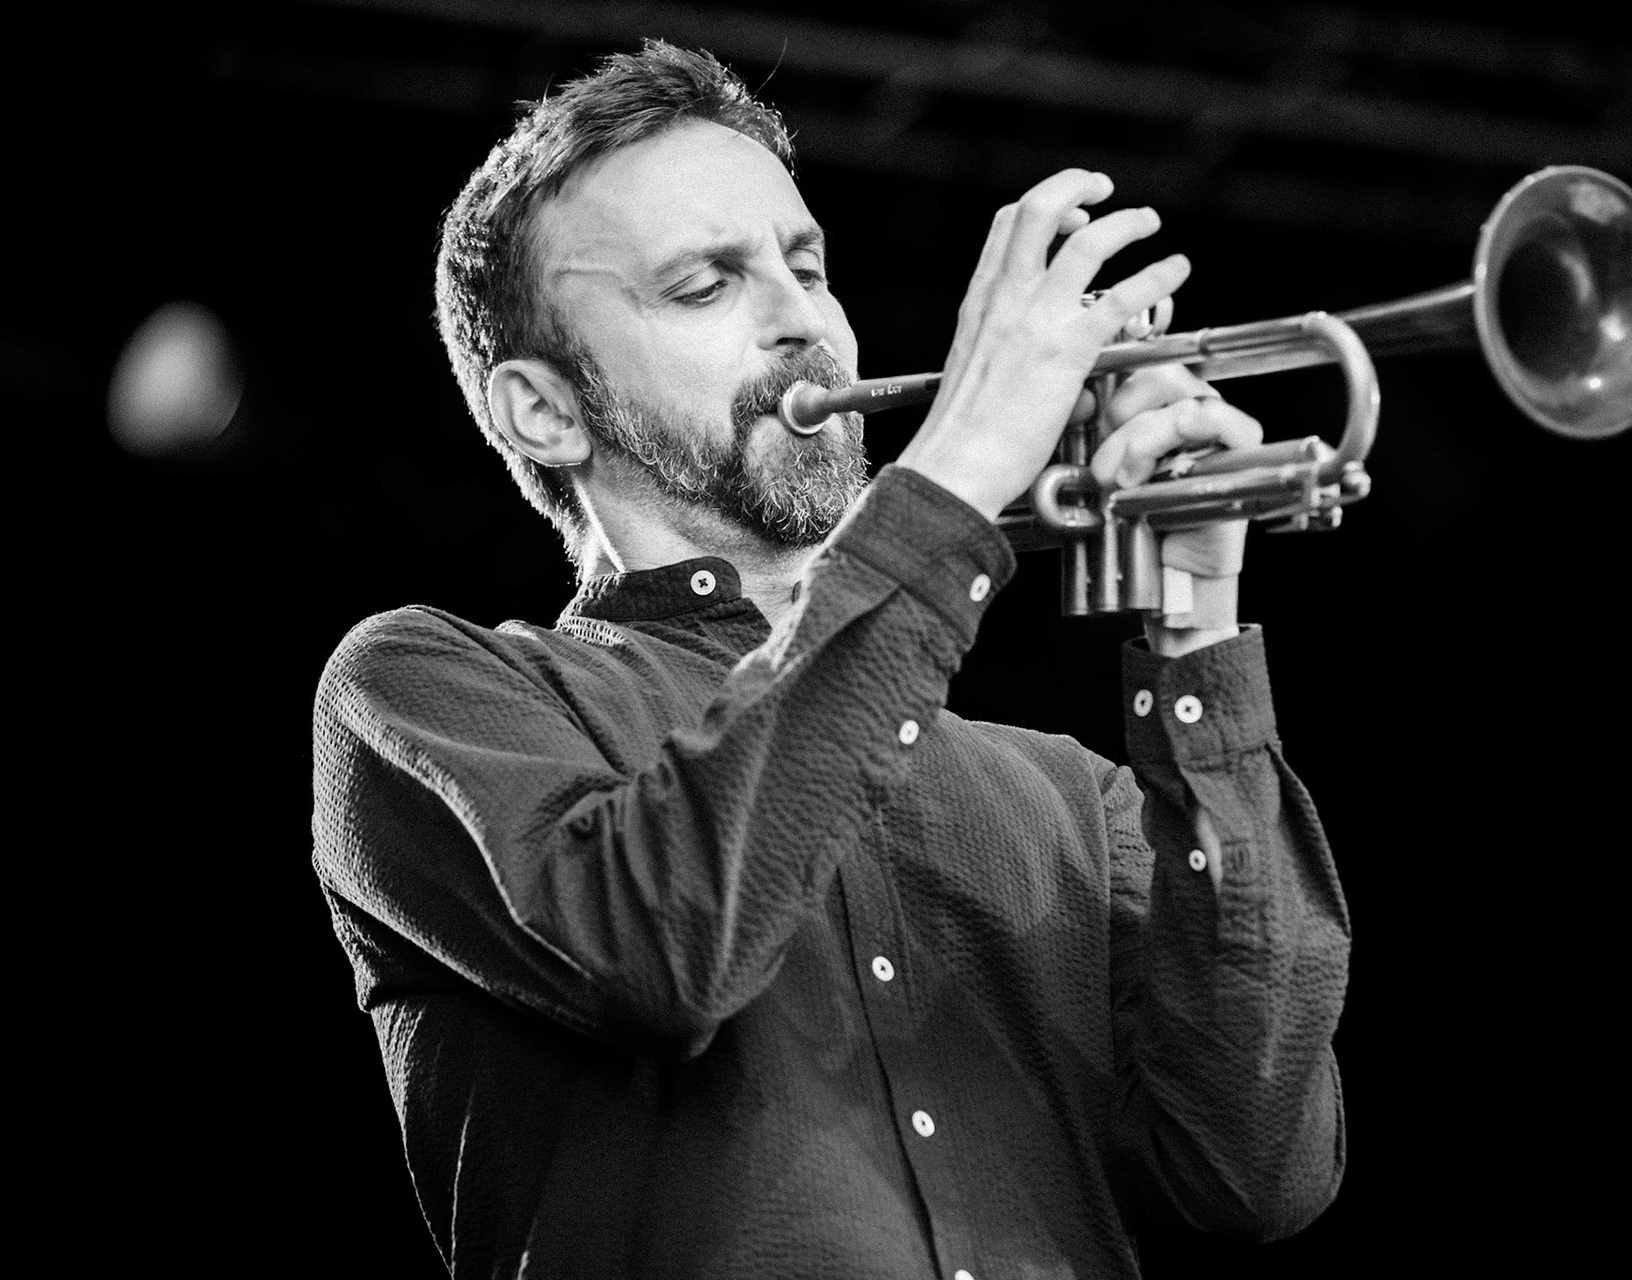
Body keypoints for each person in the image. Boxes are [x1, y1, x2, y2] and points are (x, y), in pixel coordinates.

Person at [312, 40, 1349, 1280]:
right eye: (707, 285)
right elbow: (665, 948)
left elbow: (1255, 1169)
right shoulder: (424, 689)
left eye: (807, 267)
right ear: (545, 407)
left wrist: (1194, 616)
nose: (804, 320)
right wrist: (956, 470)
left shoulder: (1074, 797)